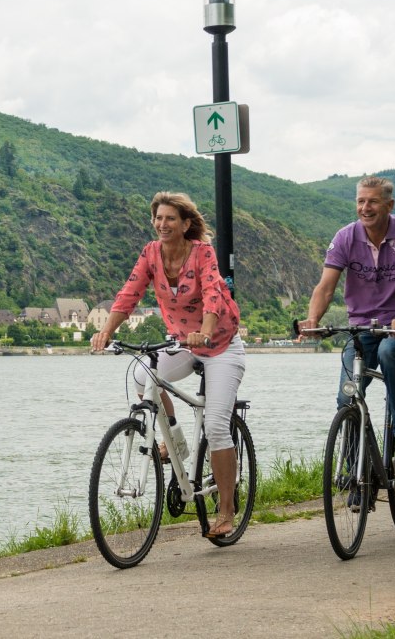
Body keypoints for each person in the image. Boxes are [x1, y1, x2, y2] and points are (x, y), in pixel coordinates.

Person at [91, 191, 247, 539]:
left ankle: (225, 510)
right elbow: (129, 293)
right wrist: (106, 331)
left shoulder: (202, 253)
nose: (162, 224)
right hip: (181, 343)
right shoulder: (151, 254)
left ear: (185, 224)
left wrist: (204, 332)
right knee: (141, 375)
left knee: (217, 426)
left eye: (170, 219)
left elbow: (212, 293)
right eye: (158, 218)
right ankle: (175, 442)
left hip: (220, 344)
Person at [298, 175, 395, 464]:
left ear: (389, 204)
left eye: (373, 201)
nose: (365, 207)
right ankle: (354, 473)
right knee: (347, 399)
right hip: (363, 327)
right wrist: (312, 320)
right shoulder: (345, 237)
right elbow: (325, 286)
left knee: (388, 352)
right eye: (360, 201)